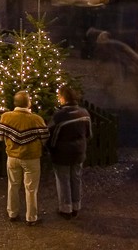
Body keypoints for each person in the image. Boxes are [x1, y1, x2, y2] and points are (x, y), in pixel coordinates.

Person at [0, 89, 48, 224]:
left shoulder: (6, 117)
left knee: (13, 185)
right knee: (31, 189)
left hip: (12, 156)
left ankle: (12, 213)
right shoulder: (37, 119)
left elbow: (0, 136)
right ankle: (31, 217)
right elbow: (44, 138)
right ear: (28, 103)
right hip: (31, 158)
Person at [45, 84, 92, 218]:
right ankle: (76, 206)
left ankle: (66, 209)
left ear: (63, 98)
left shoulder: (60, 116)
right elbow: (89, 134)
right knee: (76, 178)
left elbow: (51, 135)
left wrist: (50, 149)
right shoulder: (84, 113)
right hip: (79, 152)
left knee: (63, 180)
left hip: (62, 154)